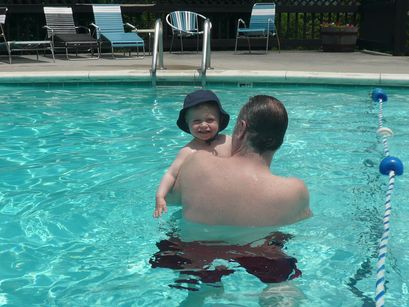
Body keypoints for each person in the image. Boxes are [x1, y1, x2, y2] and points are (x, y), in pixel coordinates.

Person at [168, 94, 311, 226]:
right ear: (281, 140)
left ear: (241, 128)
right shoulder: (295, 191)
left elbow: (169, 198)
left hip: (190, 250)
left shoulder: (198, 161)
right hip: (258, 252)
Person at [154, 89, 231, 218]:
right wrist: (160, 195)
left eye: (210, 119)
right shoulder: (188, 151)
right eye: (197, 121)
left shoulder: (228, 141)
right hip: (199, 205)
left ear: (219, 120)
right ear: (187, 124)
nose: (204, 125)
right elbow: (171, 174)